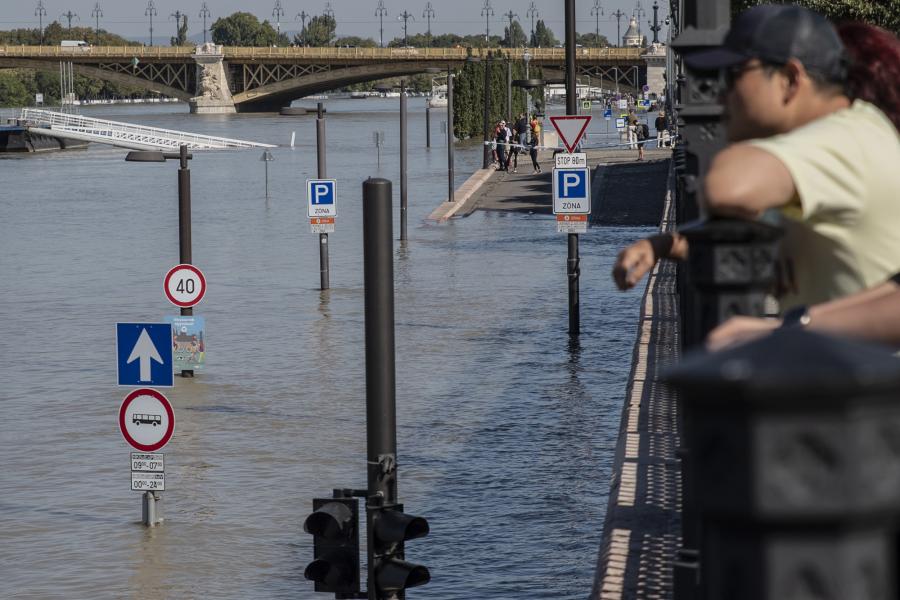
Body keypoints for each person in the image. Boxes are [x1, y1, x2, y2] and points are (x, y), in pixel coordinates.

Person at [612, 7, 900, 313]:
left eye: (733, 75)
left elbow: (727, 187)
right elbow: (757, 238)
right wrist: (662, 245)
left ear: (790, 79)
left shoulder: (841, 139)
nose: (720, 93)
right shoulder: (852, 129)